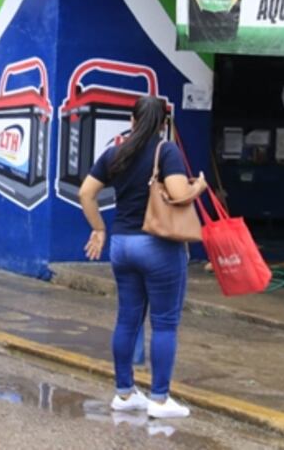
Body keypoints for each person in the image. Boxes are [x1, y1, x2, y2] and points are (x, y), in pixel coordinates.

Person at [78, 96, 204, 419]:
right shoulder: (166, 151)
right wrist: (199, 186)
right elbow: (178, 194)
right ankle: (160, 399)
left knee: (127, 318)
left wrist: (98, 229)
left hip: (122, 244)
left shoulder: (114, 152)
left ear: (132, 121)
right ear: (163, 124)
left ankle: (124, 393)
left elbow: (85, 193)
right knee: (164, 324)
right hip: (158, 246)